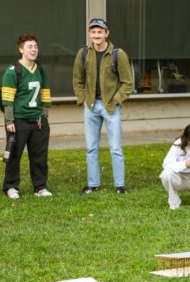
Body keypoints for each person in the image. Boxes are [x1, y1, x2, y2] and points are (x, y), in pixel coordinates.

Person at [73, 18, 133, 194]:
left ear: (107, 33)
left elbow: (128, 83)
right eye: (93, 32)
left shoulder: (117, 54)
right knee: (91, 148)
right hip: (91, 107)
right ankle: (93, 184)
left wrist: (116, 100)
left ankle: (119, 186)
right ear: (90, 34)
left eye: (100, 32)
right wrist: (83, 98)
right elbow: (77, 79)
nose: (97, 35)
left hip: (111, 107)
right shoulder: (83, 54)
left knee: (115, 148)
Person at [1, 34, 52, 199]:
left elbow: (45, 94)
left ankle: (40, 186)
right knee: (14, 156)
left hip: (37, 121)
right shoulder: (12, 72)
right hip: (18, 121)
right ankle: (10, 186)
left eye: (36, 46)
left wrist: (43, 117)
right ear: (21, 50)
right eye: (30, 46)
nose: (34, 49)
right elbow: (7, 100)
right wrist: (9, 121)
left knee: (39, 156)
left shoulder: (41, 69)